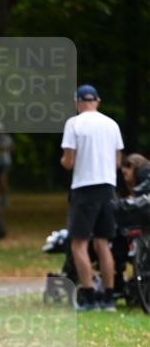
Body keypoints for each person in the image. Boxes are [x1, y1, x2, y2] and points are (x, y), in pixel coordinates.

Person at [60, 84, 124, 312]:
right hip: (108, 187)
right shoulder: (112, 124)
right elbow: (118, 162)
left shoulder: (73, 124)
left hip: (84, 188)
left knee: (79, 243)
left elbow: (68, 161)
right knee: (103, 243)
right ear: (97, 101)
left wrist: (66, 162)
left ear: (77, 103)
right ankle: (108, 296)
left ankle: (88, 295)